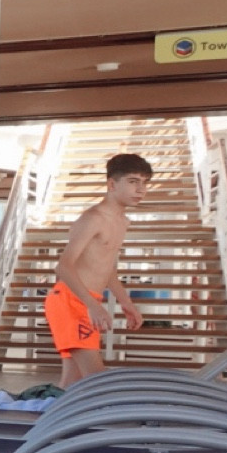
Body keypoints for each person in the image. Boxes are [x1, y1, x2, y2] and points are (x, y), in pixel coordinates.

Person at [46, 152, 151, 386]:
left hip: (86, 301)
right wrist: (92, 306)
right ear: (112, 184)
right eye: (133, 182)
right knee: (96, 381)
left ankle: (46, 410)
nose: (141, 189)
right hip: (70, 301)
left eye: (145, 183)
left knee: (73, 382)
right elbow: (63, 267)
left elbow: (107, 268)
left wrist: (126, 303)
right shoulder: (93, 219)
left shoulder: (122, 222)